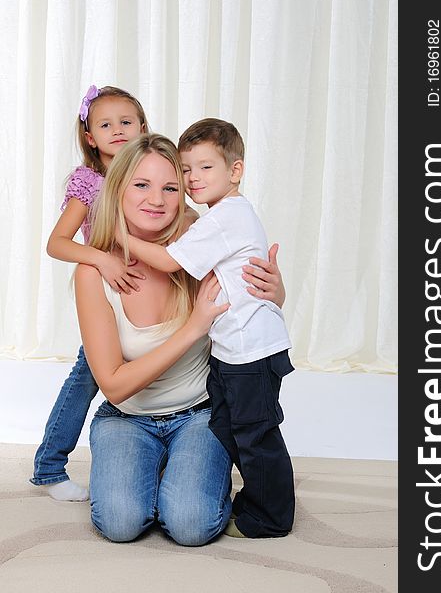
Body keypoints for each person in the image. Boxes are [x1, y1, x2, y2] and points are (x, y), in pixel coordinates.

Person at [74, 132, 286, 545]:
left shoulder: (198, 249)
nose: (157, 199)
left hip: (199, 412)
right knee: (120, 523)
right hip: (127, 417)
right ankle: (153, 469)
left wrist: (277, 293)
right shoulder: (93, 273)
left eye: (170, 187)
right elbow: (114, 387)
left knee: (191, 526)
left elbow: (248, 305)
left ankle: (186, 472)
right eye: (141, 185)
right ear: (118, 189)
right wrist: (193, 329)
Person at [30, 85, 150, 501]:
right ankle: (48, 468)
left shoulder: (149, 176)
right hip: (106, 295)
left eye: (126, 122)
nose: (117, 130)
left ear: (142, 128)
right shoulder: (91, 182)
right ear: (89, 137)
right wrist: (102, 259)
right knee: (88, 375)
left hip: (146, 295)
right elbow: (57, 242)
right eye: (105, 124)